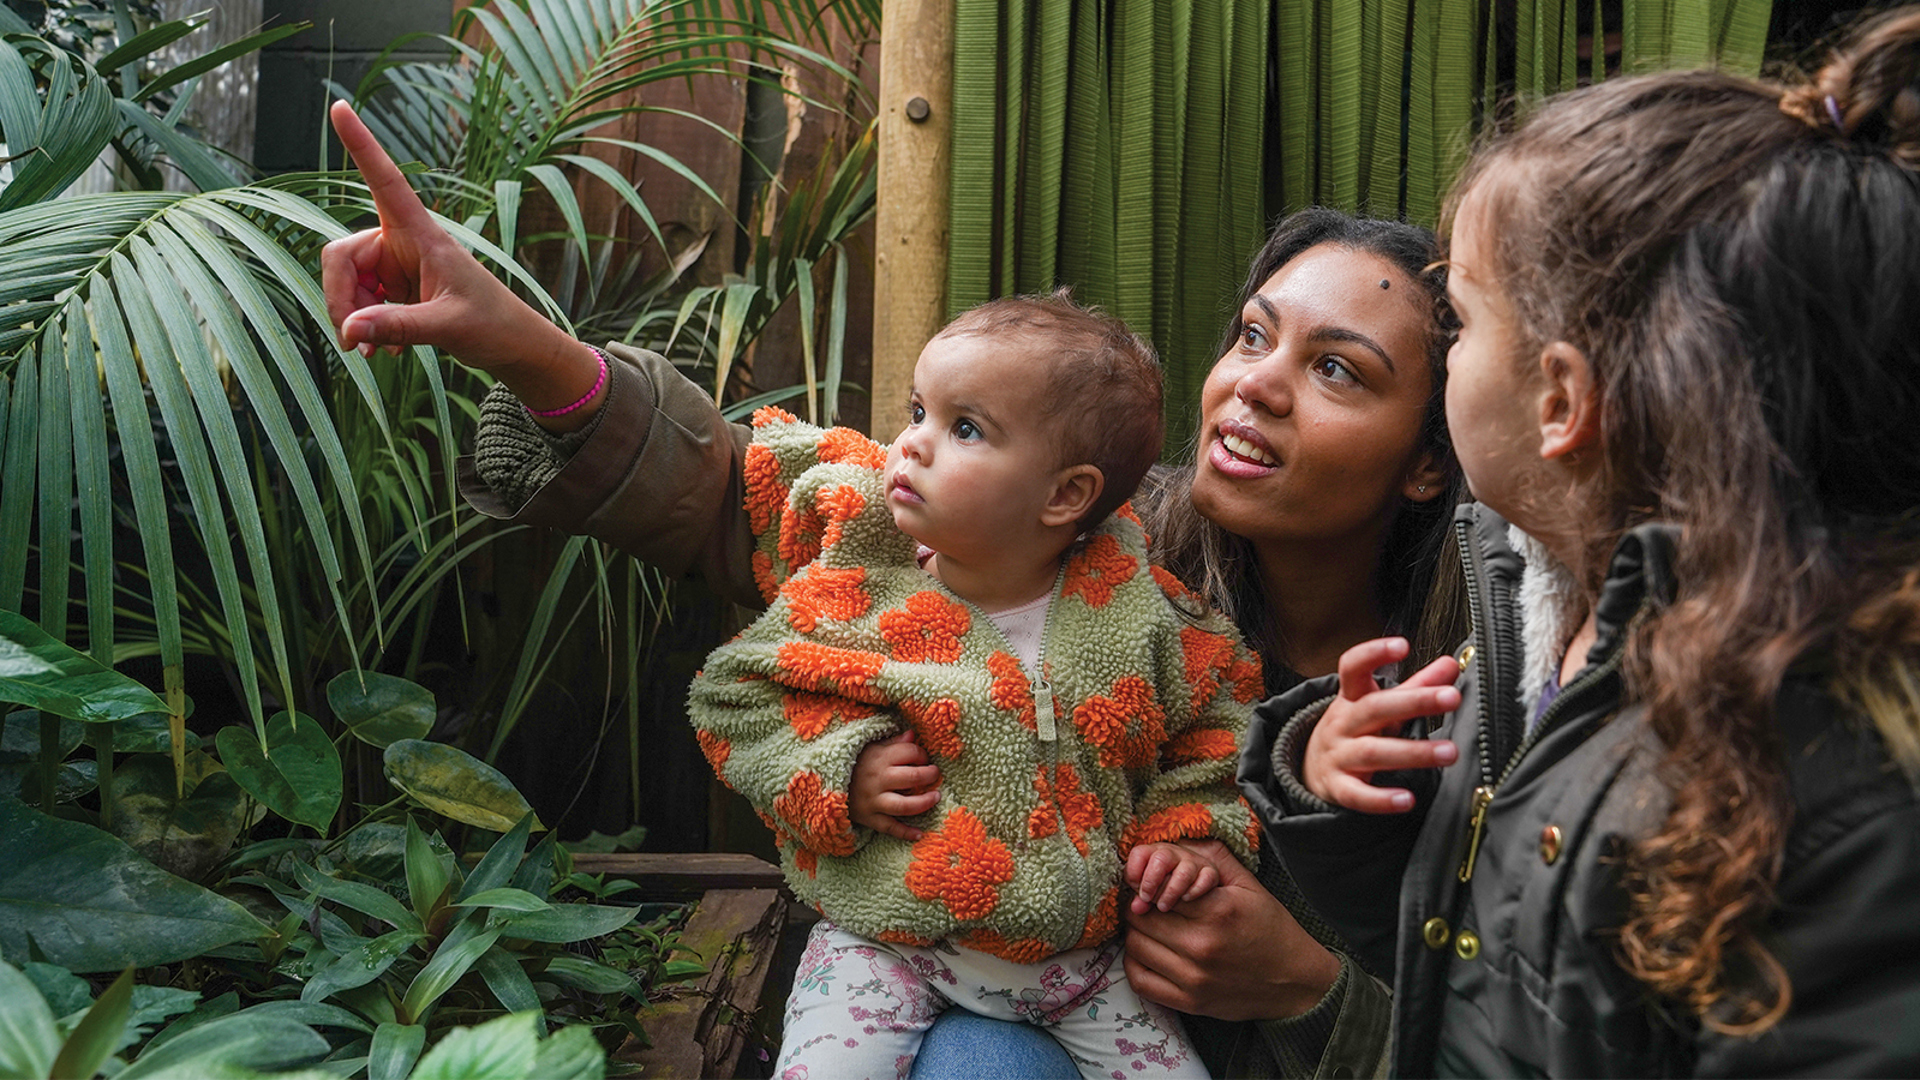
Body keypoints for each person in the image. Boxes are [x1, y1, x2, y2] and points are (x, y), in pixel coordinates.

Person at [324, 97, 1463, 1076]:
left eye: (1333, 369)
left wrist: (1310, 992)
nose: (1256, 385)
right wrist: (521, 344)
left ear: (1430, 456)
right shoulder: (1083, 543)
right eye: (1254, 334)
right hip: (989, 996)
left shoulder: (1487, 706)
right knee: (977, 1055)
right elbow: (751, 496)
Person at [1243, 8, 1920, 1075]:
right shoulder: (1527, 636)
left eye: (1458, 325)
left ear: (1561, 399)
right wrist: (1353, 812)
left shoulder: (1826, 787)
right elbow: (1485, 972)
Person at [685, 292, 1263, 1078]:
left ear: (1065, 495)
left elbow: (1224, 713)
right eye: (918, 410)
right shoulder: (859, 593)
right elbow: (732, 699)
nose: (912, 445)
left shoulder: (1137, 611)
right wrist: (841, 768)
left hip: (1084, 964)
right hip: (888, 943)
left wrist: (1189, 826)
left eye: (964, 428)